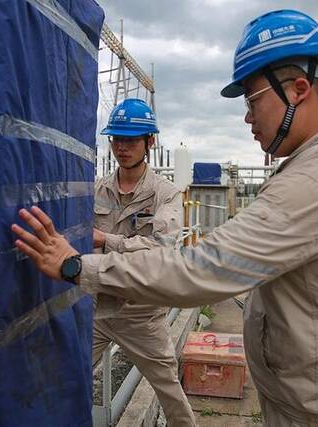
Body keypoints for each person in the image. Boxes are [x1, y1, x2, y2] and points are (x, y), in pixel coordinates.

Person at [12, 9, 318, 427]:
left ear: (299, 89)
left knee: (167, 389)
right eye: (116, 141)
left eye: (252, 100)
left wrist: (75, 265)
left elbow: (199, 268)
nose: (248, 117)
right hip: (310, 401)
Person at [90, 98, 195, 426]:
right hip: (97, 309)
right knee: (66, 377)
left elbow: (161, 249)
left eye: (131, 140)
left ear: (150, 142)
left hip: (141, 314)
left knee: (169, 391)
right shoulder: (98, 189)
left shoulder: (165, 194)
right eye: (117, 140)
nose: (122, 148)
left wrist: (106, 240)